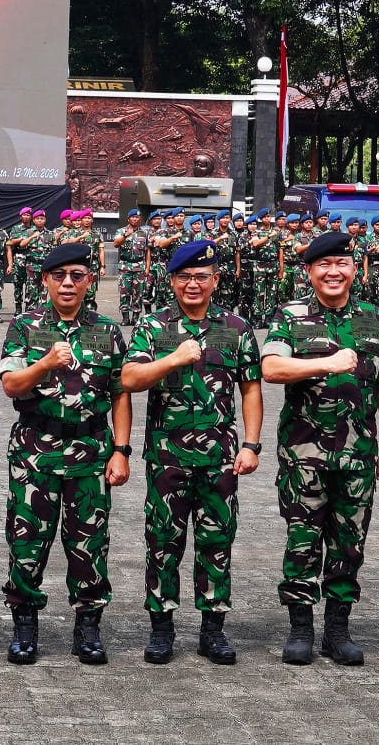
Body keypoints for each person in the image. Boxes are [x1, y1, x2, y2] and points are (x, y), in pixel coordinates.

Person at [260, 232, 379, 667]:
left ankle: (338, 630)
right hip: (305, 453)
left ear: (355, 269)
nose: (333, 272)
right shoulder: (291, 315)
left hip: (358, 455)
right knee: (302, 539)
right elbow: (271, 368)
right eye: (324, 265)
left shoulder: (374, 319)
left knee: (349, 542)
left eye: (342, 264)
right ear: (310, 272)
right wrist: (325, 362)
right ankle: (301, 627)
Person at [121, 240, 263, 665]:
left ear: (216, 279)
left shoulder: (235, 328)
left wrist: (252, 444)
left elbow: (251, 388)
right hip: (168, 458)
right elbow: (130, 378)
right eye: (184, 277)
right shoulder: (154, 326)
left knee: (217, 541)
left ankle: (213, 629)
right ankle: (161, 629)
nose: (193, 284)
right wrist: (173, 359)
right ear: (172, 281)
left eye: (201, 276)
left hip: (220, 458)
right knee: (163, 541)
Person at [0, 241, 132, 666]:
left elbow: (120, 394)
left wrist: (121, 450)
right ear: (45, 281)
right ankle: (25, 626)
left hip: (90, 454)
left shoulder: (107, 330)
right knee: (26, 542)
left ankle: (88, 628)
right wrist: (44, 365)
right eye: (60, 276)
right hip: (34, 455)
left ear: (90, 280)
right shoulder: (25, 326)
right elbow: (11, 385)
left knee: (89, 544)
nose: (69, 283)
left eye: (77, 275)